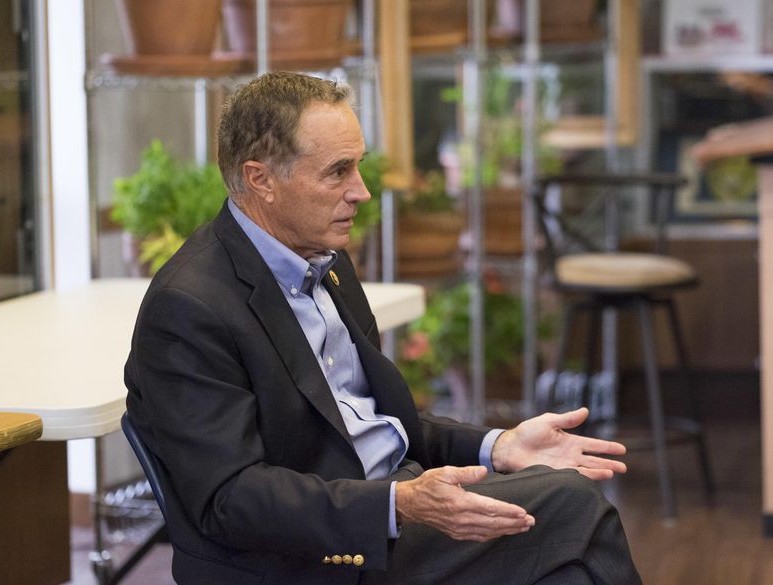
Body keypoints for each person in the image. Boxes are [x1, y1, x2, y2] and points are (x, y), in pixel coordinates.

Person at [124, 71, 643, 585]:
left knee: (565, 568)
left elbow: (373, 423)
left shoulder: (325, 262)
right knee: (574, 503)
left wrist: (498, 445)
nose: (362, 192)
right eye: (338, 172)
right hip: (316, 555)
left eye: (359, 167)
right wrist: (398, 503)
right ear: (261, 179)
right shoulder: (189, 307)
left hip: (391, 510)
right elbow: (228, 499)